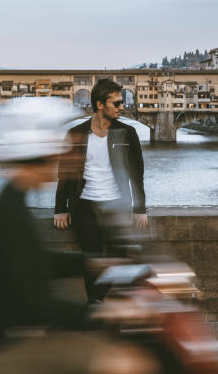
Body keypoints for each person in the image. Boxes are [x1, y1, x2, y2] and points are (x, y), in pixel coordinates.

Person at [0, 97, 158, 374]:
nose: (66, 157)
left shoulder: (12, 198)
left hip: (19, 332)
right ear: (39, 151)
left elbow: (33, 262)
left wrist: (93, 262)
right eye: (59, 150)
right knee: (127, 362)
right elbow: (35, 303)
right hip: (6, 344)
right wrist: (104, 313)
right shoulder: (10, 210)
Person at [53, 79, 148, 303]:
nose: (121, 107)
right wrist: (60, 208)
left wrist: (140, 208)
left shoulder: (127, 133)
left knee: (118, 258)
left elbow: (137, 173)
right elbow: (65, 174)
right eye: (116, 103)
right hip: (85, 205)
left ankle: (98, 301)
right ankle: (95, 303)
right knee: (92, 258)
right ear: (100, 105)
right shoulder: (76, 133)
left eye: (121, 102)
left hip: (118, 204)